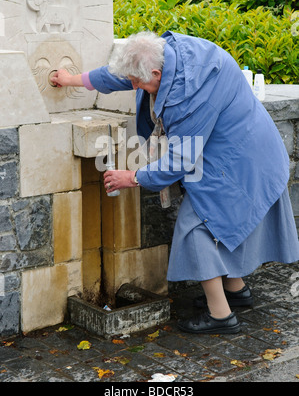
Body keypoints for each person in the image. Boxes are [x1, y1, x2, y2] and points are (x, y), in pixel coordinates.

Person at [51, 31, 299, 335]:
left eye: (140, 83)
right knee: (222, 219)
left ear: (157, 73)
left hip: (241, 158)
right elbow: (122, 76)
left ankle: (221, 316)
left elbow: (180, 161)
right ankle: (235, 289)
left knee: (195, 226)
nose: (135, 88)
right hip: (243, 143)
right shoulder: (164, 54)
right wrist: (70, 79)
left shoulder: (190, 93)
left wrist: (131, 177)